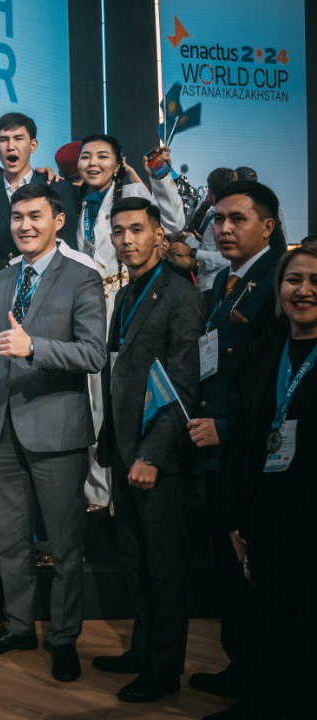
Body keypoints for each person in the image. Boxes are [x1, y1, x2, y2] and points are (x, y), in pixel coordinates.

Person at [0, 183, 107, 683]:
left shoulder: (82, 278)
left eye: (35, 216)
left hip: (58, 432)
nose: (25, 225)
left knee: (66, 547)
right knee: (10, 543)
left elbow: (93, 354)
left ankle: (64, 638)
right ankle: (19, 626)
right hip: (2, 431)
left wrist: (35, 348)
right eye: (18, 217)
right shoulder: (1, 281)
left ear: (58, 221)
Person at [93, 197, 202, 704]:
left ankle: (165, 668)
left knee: (164, 568)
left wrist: (153, 454)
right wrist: (113, 446)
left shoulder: (180, 295)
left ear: (159, 235)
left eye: (137, 230)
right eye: (119, 232)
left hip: (157, 457)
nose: (127, 240)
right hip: (124, 449)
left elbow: (183, 385)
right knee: (136, 562)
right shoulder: (127, 293)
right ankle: (142, 650)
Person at [185, 180, 287, 704]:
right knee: (230, 569)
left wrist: (226, 426)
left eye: (237, 219)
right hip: (217, 452)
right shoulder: (227, 280)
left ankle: (261, 685)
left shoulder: (278, 282)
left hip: (251, 451)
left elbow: (278, 380)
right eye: (218, 219)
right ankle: (240, 668)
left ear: (267, 226)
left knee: (253, 572)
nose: (223, 229)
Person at [223, 246, 317, 720]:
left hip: (311, 513)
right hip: (267, 509)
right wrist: (238, 516)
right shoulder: (264, 352)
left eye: (315, 281)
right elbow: (245, 439)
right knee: (268, 613)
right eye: (293, 280)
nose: (304, 291)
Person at [72, 136, 187, 513]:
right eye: (86, 156)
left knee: (126, 393)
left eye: (102, 156)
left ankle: (127, 482)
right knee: (94, 398)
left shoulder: (132, 192)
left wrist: (160, 174)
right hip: (90, 307)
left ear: (118, 163)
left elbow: (173, 222)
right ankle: (98, 493)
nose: (92, 163)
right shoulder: (81, 202)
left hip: (126, 300)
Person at [0, 113, 79, 262]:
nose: (11, 147)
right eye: (4, 140)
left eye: (18, 138)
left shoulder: (58, 189)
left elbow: (69, 246)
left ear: (33, 145)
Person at [174, 167, 236, 291]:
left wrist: (191, 252)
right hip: (205, 284)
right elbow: (208, 249)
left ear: (213, 190)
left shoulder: (225, 220)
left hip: (214, 287)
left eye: (209, 188)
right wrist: (187, 239)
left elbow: (228, 259)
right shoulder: (217, 216)